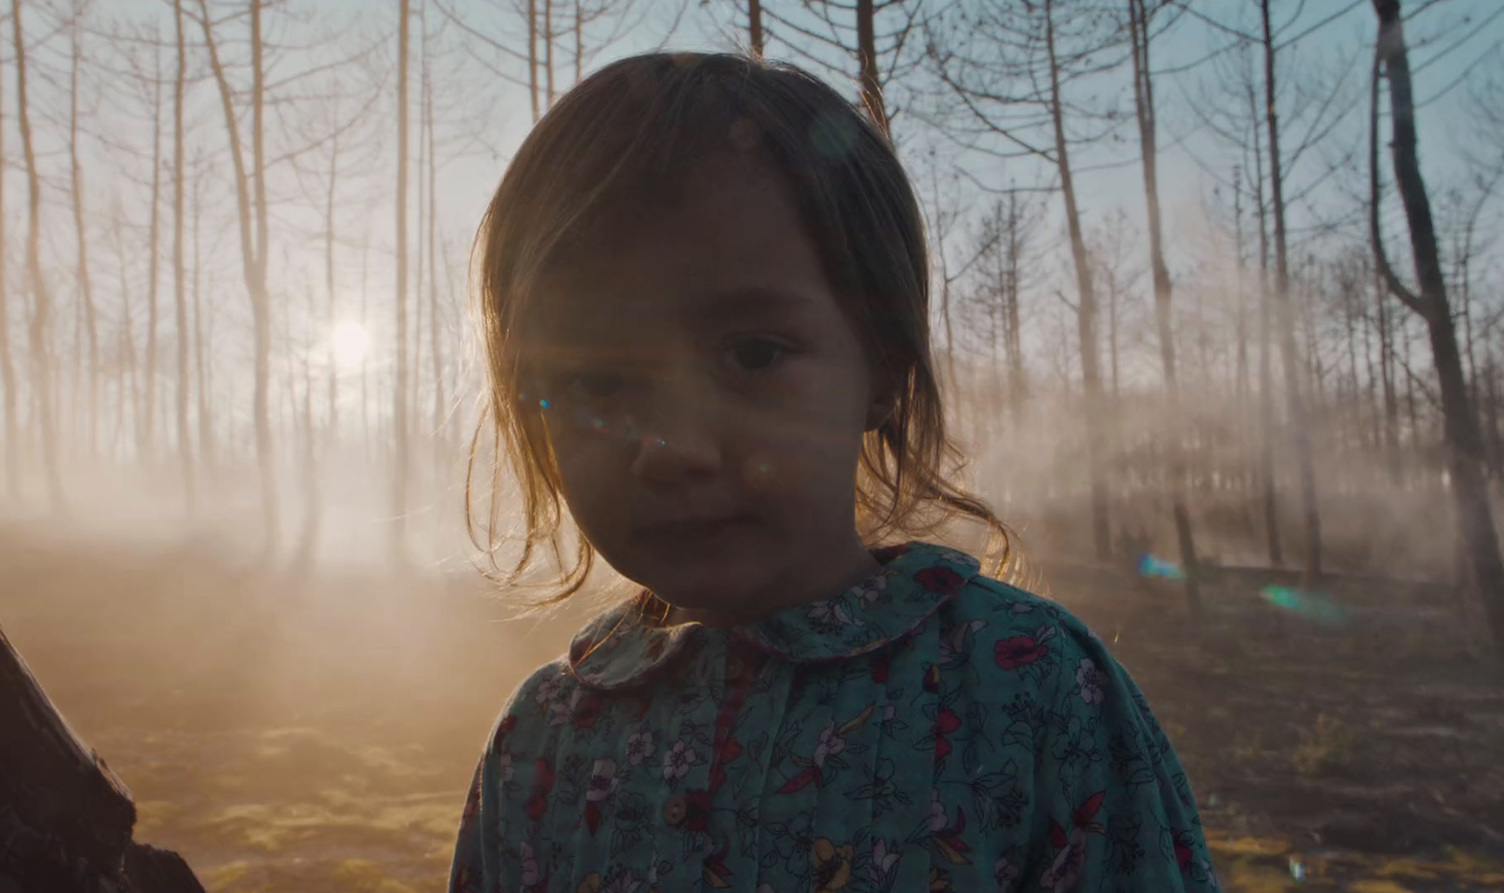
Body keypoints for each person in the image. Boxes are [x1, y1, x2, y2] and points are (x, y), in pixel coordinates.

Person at [449, 52, 1218, 893]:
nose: (674, 448)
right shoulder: (541, 744)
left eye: (753, 354)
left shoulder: (1032, 689)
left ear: (882, 365)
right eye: (597, 382)